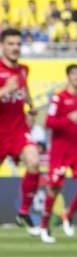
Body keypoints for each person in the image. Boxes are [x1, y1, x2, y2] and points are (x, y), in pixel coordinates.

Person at [40, 64, 77, 243]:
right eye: (74, 74)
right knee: (54, 188)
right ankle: (44, 227)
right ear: (68, 76)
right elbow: (49, 122)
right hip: (60, 150)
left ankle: (68, 214)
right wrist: (69, 118)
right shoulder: (59, 98)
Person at [0, 28, 42, 235]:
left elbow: (25, 90)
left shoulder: (23, 70)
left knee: (34, 161)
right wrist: (4, 91)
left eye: (18, 44)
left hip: (18, 130)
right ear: (2, 45)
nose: (15, 48)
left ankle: (24, 211)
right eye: (10, 44)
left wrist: (31, 107)